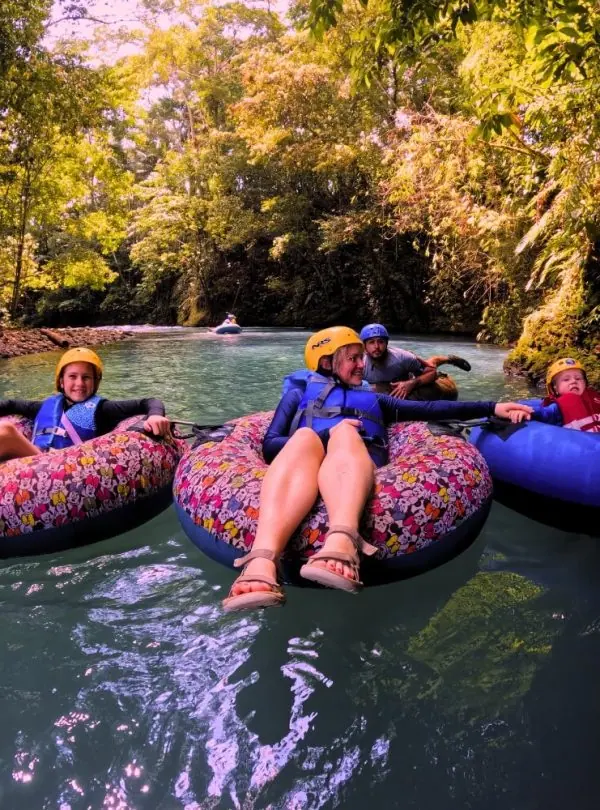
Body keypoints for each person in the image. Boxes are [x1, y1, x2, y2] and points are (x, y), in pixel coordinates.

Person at [223, 327, 533, 612]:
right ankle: (262, 561)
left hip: (355, 462)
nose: (362, 365)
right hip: (305, 462)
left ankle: (341, 540)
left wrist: (491, 407)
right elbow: (270, 444)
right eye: (353, 359)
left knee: (346, 433)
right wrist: (323, 435)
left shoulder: (375, 400)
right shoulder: (297, 395)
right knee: (304, 436)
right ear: (328, 363)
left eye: (362, 358)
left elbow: (431, 409)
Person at [0, 347, 172, 462]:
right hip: (28, 466)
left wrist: (155, 415)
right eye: (72, 377)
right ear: (61, 381)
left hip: (61, 470)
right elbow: (9, 404)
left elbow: (148, 402)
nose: (79, 383)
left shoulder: (102, 410)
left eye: (86, 377)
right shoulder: (45, 407)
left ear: (95, 382)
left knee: (5, 431)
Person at [359, 323, 471, 400]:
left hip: (410, 380)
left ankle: (449, 359)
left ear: (387, 344)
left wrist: (412, 383)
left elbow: (432, 373)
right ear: (364, 346)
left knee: (431, 365)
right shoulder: (358, 362)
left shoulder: (401, 357)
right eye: (371, 342)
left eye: (381, 342)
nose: (377, 347)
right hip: (389, 387)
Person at [512, 358, 600, 433]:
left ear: (585, 383)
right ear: (555, 388)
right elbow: (544, 413)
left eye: (578, 378)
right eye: (566, 379)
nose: (574, 381)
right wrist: (527, 412)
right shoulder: (557, 407)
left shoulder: (595, 398)